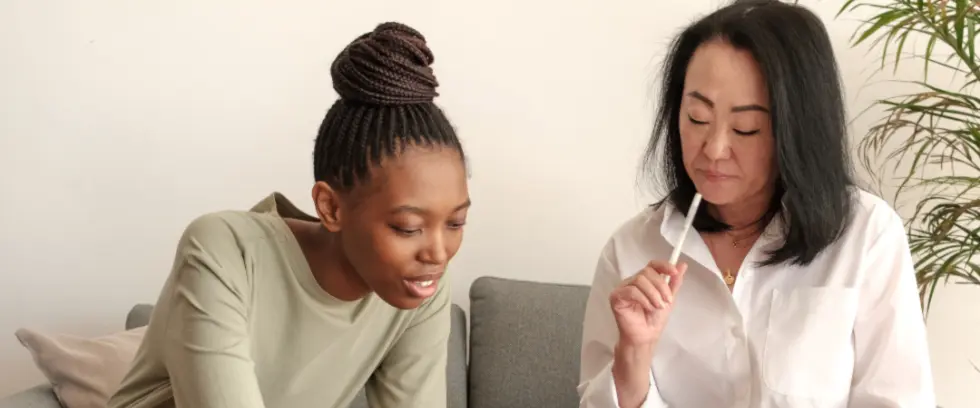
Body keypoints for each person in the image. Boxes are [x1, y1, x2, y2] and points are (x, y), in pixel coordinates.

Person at [577, 1, 935, 407]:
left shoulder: (867, 236)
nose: (713, 149)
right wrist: (633, 357)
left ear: (796, 129)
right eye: (696, 117)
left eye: (746, 128)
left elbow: (899, 399)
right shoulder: (630, 252)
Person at [107, 22, 469, 408]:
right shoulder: (225, 250)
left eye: (455, 223)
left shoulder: (420, 285)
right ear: (330, 207)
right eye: (407, 227)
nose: (437, 252)